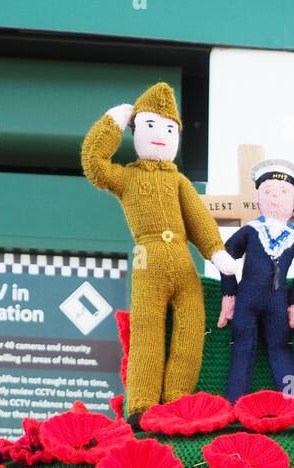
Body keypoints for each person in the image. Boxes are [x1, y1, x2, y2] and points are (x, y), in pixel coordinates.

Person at [81, 82, 238, 427]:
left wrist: (216, 251)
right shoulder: (127, 177)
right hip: (148, 260)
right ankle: (141, 403)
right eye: (151, 125)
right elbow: (93, 162)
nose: (161, 135)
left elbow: (198, 218)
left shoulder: (179, 181)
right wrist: (112, 122)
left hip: (183, 262)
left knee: (192, 327)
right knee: (147, 330)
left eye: (169, 128)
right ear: (137, 130)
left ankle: (178, 398)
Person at [216, 159, 294, 404]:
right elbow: (225, 258)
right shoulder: (251, 231)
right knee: (242, 348)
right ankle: (233, 401)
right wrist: (229, 293)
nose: (275, 198)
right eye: (268, 192)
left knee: (280, 348)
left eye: (283, 192)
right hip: (246, 301)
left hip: (279, 304)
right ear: (258, 200)